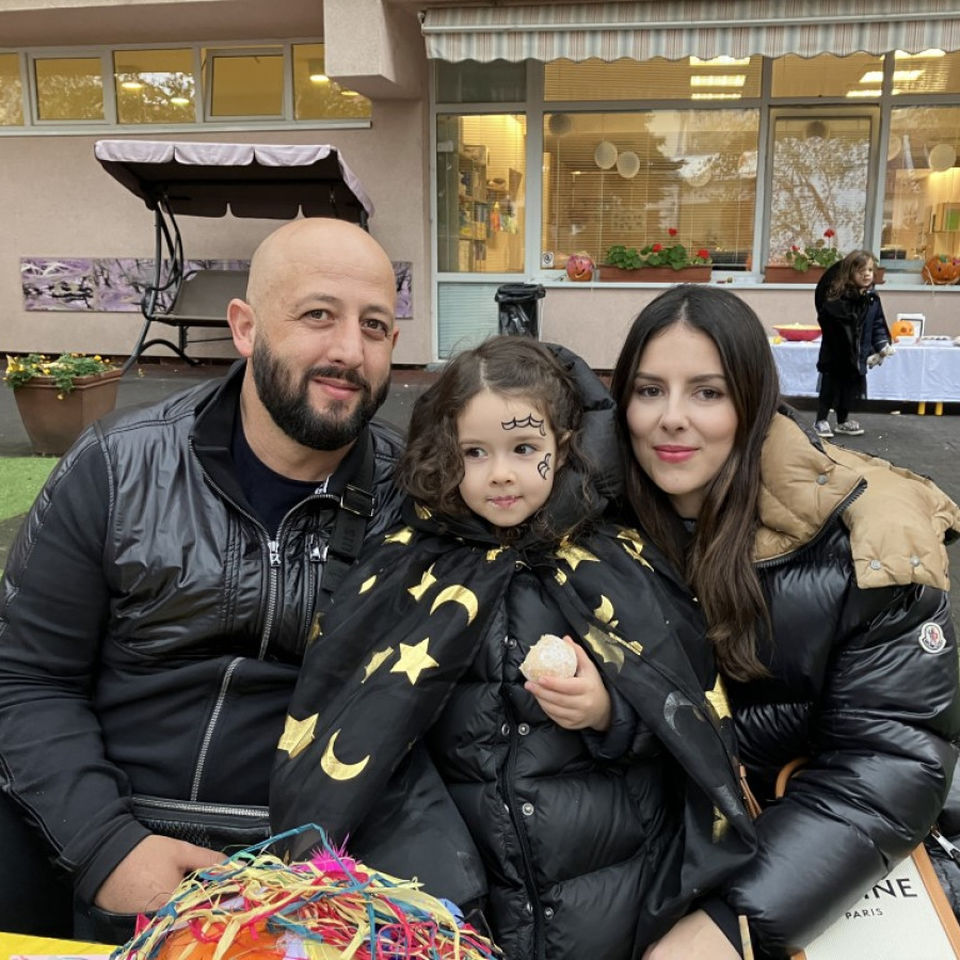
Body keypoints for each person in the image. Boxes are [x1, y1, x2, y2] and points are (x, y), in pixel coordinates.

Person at [271, 336, 756, 960]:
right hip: (463, 892)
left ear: (565, 448)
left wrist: (609, 713)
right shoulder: (404, 569)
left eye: (525, 449)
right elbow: (366, 723)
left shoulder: (616, 561)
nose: (500, 473)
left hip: (602, 890)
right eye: (475, 452)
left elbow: (681, 717)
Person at [0, 217, 406, 942]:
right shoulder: (117, 468)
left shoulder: (417, 500)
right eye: (319, 315)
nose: (350, 350)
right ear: (246, 328)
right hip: (117, 834)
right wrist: (105, 846)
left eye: (374, 325)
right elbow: (26, 677)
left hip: (322, 869)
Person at [610, 284, 960, 959]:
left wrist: (735, 922)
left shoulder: (870, 545)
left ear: (754, 400)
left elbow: (890, 763)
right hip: (629, 867)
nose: (671, 419)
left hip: (786, 861)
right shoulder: (575, 516)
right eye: (649, 390)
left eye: (707, 392)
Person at [813, 249, 894, 439]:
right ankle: (821, 420)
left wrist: (881, 345)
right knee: (830, 387)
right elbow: (830, 319)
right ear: (849, 273)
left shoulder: (872, 299)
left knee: (849, 390)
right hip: (836, 354)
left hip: (858, 355)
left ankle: (842, 420)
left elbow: (877, 324)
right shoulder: (838, 297)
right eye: (861, 271)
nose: (867, 274)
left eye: (870, 270)